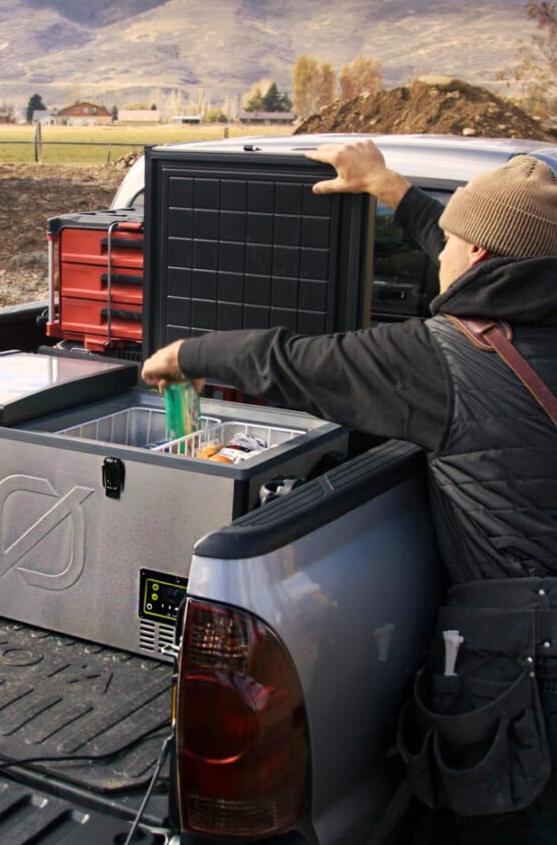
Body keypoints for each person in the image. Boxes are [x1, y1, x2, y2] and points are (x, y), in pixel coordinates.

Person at [141, 140, 557, 842]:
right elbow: (475, 251)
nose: (438, 252)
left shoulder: (447, 360)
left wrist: (186, 355)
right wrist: (392, 188)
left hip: (524, 676)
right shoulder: (530, 307)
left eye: (450, 242)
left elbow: (295, 363)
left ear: (481, 257)